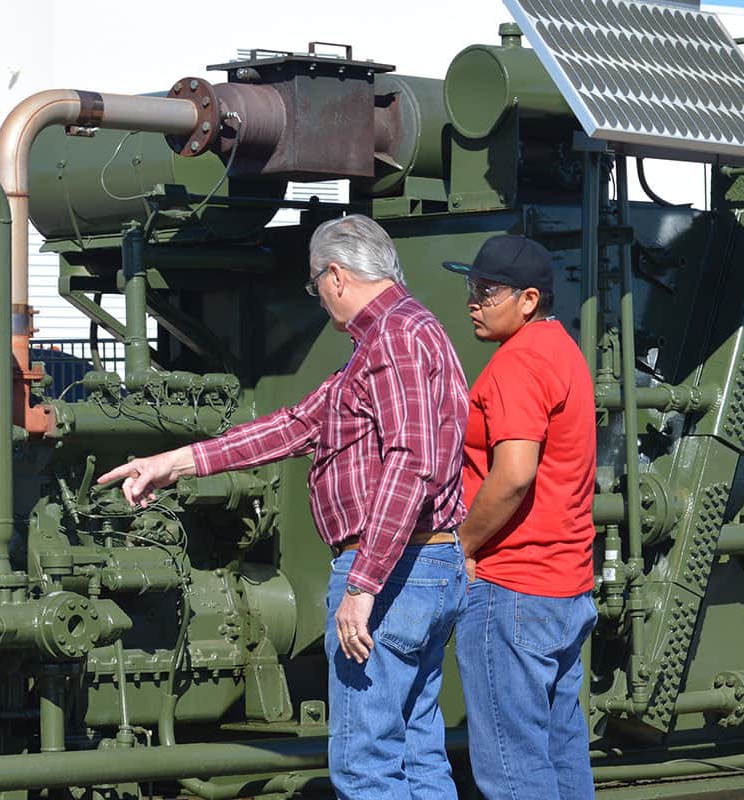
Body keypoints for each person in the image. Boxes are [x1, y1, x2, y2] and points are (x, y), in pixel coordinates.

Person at [98, 214, 471, 799]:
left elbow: (413, 463)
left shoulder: (393, 339)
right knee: (417, 754)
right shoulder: (398, 338)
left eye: (316, 286)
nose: (319, 299)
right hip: (428, 566)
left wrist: (364, 584)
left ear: (337, 276)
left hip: (392, 573)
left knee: (366, 763)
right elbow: (294, 426)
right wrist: (174, 462)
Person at [442, 234, 598, 800]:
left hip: (513, 588)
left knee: (513, 772)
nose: (472, 302)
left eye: (487, 291)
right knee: (562, 757)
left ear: (528, 299)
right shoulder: (563, 350)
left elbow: (513, 474)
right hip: (565, 587)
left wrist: (461, 543)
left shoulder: (518, 364)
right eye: (471, 286)